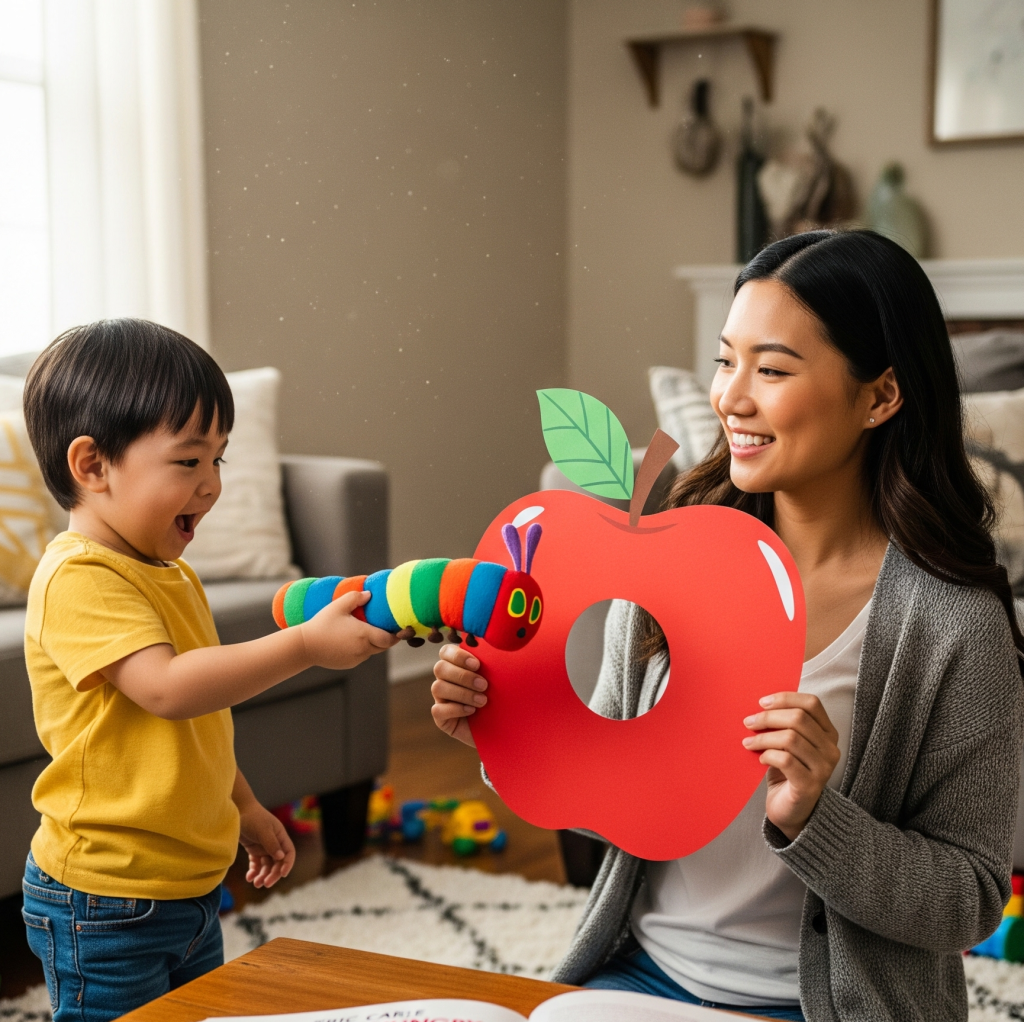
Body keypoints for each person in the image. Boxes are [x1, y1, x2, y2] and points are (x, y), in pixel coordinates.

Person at [430, 230, 1024, 1021]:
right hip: (638, 980)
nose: (730, 398)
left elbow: (971, 901)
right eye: (724, 360)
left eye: (772, 369)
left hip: (823, 1007)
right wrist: (505, 732)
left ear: (880, 396)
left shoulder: (953, 624)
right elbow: (607, 787)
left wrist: (819, 818)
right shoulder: (663, 555)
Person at [20, 320, 397, 1022]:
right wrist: (305, 647)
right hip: (104, 897)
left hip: (187, 886)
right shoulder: (79, 578)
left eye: (219, 460)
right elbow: (166, 690)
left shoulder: (170, 575)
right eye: (189, 462)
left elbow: (200, 718)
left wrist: (244, 806)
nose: (211, 486)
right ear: (92, 465)